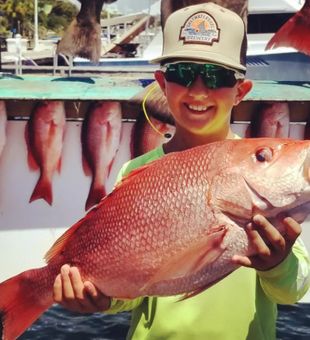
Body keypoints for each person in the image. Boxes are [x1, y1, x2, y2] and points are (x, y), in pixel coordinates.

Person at [53, 3, 310, 339]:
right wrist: (99, 298)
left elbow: (292, 291)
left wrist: (278, 265)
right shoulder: (138, 170)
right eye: (182, 74)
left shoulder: (271, 192)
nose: (199, 90)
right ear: (162, 82)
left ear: (241, 91)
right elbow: (132, 296)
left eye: (217, 76)